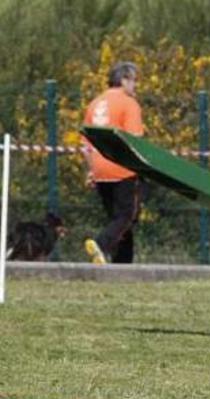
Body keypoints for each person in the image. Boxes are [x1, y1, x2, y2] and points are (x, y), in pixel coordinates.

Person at [82, 61, 145, 264]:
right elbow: (134, 140)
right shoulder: (129, 103)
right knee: (128, 215)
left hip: (100, 169)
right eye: (134, 81)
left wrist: (92, 170)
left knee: (117, 220)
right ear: (124, 80)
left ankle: (122, 263)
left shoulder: (94, 103)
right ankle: (100, 244)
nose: (135, 86)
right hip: (122, 169)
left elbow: (86, 145)